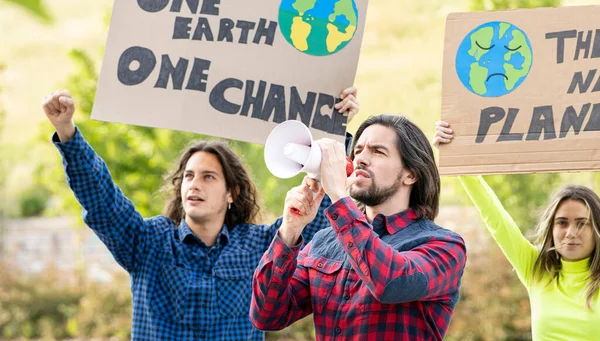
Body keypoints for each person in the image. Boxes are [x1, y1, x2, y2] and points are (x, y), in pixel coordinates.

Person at [41, 87, 359, 341]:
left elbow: (320, 215)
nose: (194, 184)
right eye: (189, 176)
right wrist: (67, 132)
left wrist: (335, 130)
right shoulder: (147, 242)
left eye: (208, 177)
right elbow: (102, 201)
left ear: (232, 193)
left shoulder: (261, 245)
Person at [250, 114, 467, 341]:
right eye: (358, 150)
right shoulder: (325, 241)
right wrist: (290, 231)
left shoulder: (444, 245)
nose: (361, 159)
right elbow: (267, 315)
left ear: (410, 174)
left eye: (378, 151)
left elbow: (391, 283)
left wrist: (338, 196)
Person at [433, 120, 600, 341]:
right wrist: (457, 153)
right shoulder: (536, 269)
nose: (570, 232)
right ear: (551, 228)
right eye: (562, 222)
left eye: (581, 223)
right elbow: (494, 216)